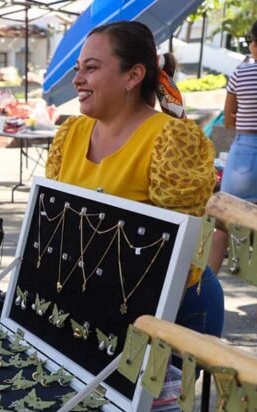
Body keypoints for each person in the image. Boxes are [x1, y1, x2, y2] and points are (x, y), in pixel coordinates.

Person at [45, 20, 224, 338]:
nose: (77, 79)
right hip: (94, 299)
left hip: (168, 310)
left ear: (133, 75)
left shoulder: (172, 140)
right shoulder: (70, 132)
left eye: (91, 67)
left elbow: (179, 256)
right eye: (77, 68)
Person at [208, 8, 257, 322]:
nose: (250, 47)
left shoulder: (242, 73)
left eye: (252, 41)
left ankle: (205, 294)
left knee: (221, 230)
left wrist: (221, 156)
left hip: (245, 154)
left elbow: (229, 120)